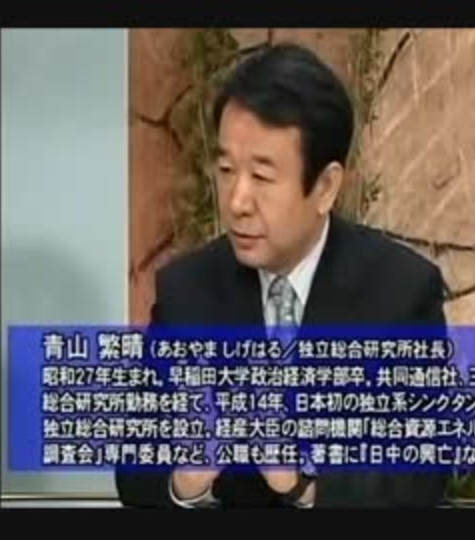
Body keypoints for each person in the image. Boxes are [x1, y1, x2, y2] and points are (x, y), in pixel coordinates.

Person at [116, 42, 448, 508]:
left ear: (326, 187)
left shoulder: (400, 292)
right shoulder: (187, 291)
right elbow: (134, 471)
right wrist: (187, 478)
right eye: (226, 170)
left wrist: (302, 483)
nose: (237, 201)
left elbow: (421, 479)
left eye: (262, 176)